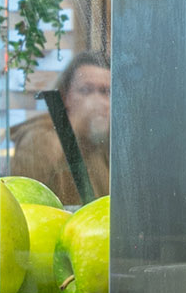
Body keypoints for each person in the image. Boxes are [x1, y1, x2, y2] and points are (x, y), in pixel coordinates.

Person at [8, 55, 110, 204]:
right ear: (65, 96)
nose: (97, 101)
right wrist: (76, 125)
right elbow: (23, 201)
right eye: (86, 90)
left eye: (105, 92)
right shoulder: (40, 137)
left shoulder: (104, 143)